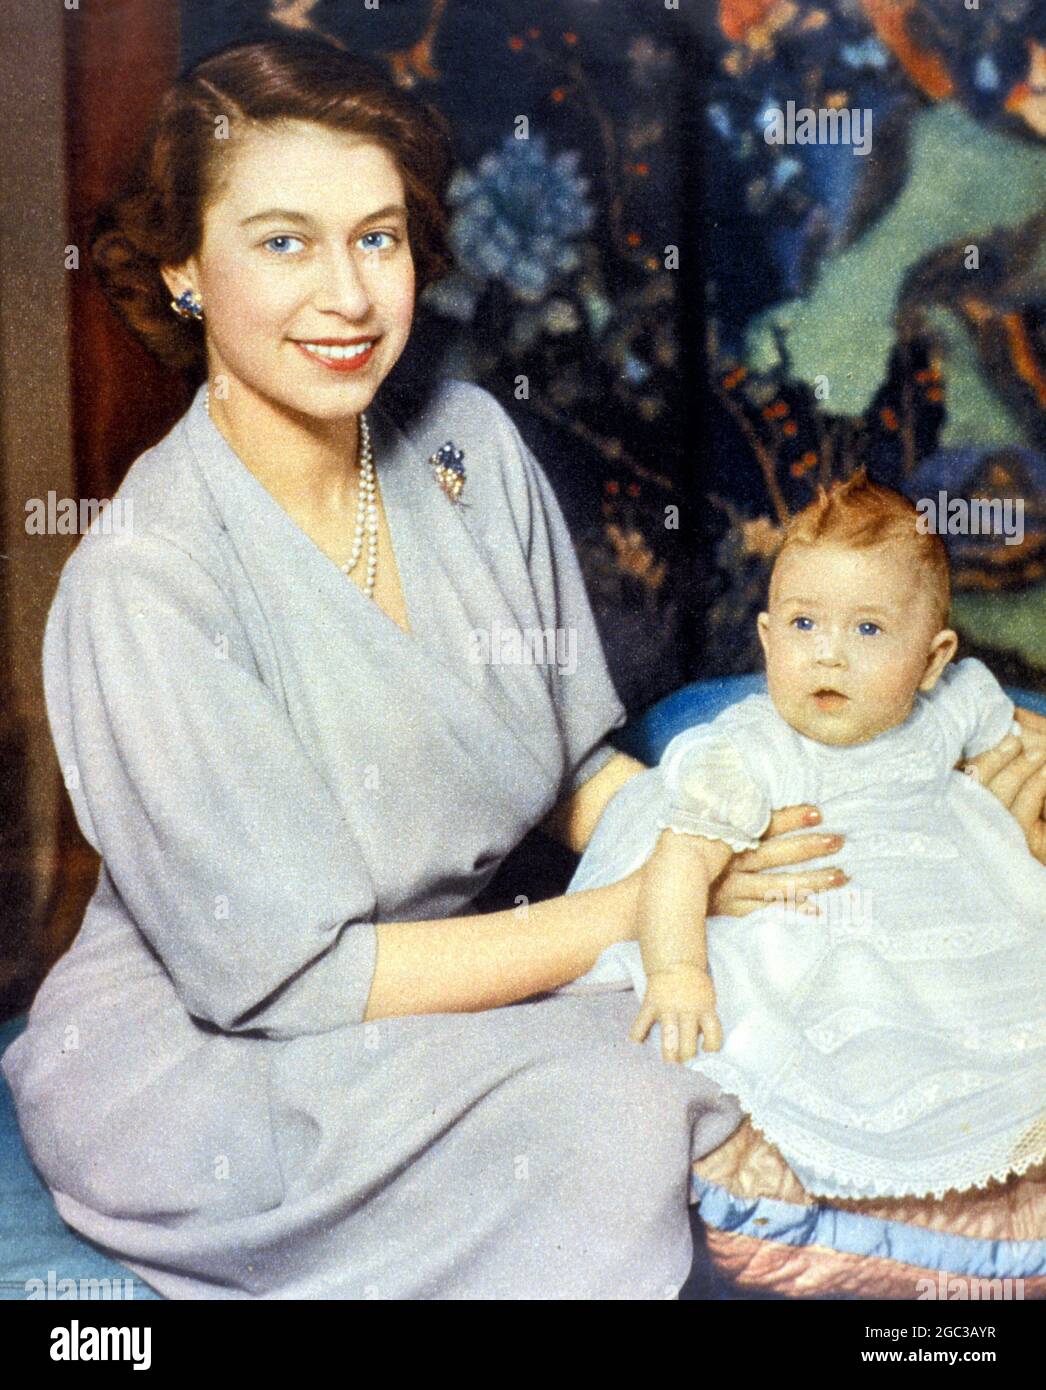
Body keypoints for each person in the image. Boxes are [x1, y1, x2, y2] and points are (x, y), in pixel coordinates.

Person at [2, 37, 1043, 1300]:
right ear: (182, 268)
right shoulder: (147, 581)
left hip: (483, 964)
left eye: (376, 238)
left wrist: (844, 815)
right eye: (283, 241)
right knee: (641, 1087)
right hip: (229, 1053)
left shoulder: (466, 449)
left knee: (820, 976)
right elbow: (305, 982)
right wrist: (655, 902)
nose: (346, 296)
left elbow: (572, 772)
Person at [563, 470, 1046, 1203]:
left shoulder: (948, 711)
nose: (828, 653)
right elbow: (679, 863)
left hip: (938, 919)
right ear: (766, 636)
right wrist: (678, 974)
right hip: (821, 941)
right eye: (803, 624)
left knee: (994, 1027)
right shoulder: (756, 750)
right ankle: (865, 1173)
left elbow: (1022, 736)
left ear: (934, 660)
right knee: (858, 1038)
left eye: (869, 629)